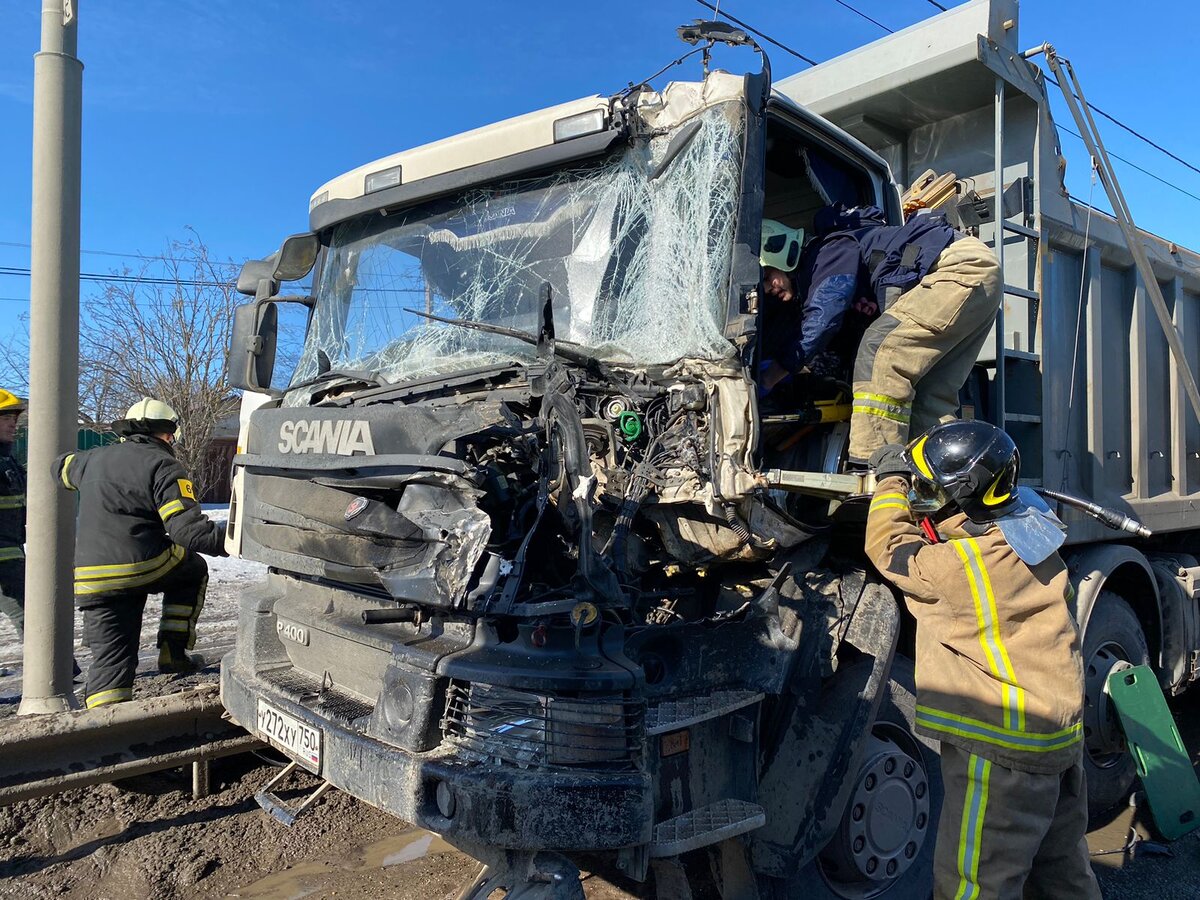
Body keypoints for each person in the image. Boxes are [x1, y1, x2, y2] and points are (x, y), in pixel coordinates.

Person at [865, 421, 1101, 900]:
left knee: (974, 885)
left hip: (1002, 756)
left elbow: (888, 548)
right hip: (1055, 741)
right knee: (1061, 873)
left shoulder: (963, 567)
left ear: (962, 495)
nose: (921, 496)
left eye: (930, 490)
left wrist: (891, 483)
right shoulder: (1027, 526)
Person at [761, 205, 1001, 469]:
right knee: (928, 397)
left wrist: (774, 374)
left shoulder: (825, 251)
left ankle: (874, 472)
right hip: (980, 275)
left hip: (957, 268)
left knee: (879, 349)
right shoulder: (831, 268)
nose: (768, 287)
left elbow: (825, 315)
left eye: (768, 275)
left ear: (782, 252)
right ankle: (942, 481)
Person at [55, 397, 226, 708]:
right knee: (193, 568)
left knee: (111, 662)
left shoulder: (91, 459)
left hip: (92, 578)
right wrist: (234, 539)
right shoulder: (164, 465)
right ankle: (173, 652)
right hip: (142, 565)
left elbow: (60, 469)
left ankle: (104, 727)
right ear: (166, 435)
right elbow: (188, 532)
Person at [0, 390, 27, 639]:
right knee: (28, 614)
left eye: (14, 417)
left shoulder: (8, 461)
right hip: (5, 559)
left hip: (11, 553)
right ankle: (56, 673)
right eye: (5, 417)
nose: (13, 423)